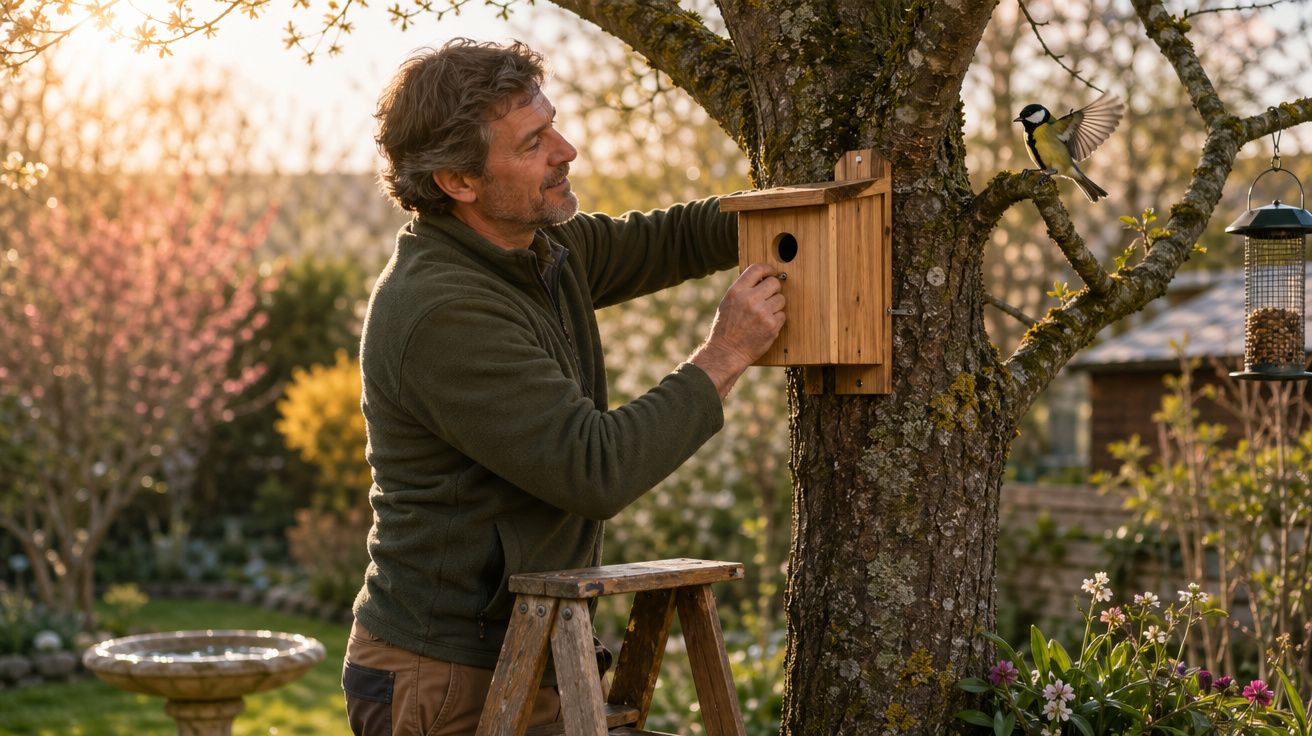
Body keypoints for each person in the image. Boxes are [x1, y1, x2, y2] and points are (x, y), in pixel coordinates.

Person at [342, 37, 785, 736]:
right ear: (458, 181)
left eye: (553, 124)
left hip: (530, 651)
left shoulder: (537, 251)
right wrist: (725, 353)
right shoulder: (445, 311)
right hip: (444, 679)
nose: (567, 149)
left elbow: (671, 239)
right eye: (534, 141)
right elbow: (595, 467)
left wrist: (790, 210)